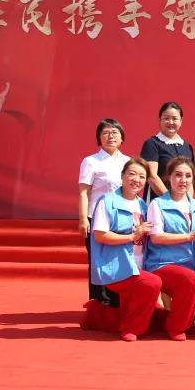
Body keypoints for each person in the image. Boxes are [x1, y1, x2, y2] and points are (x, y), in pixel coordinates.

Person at [81, 159, 175, 341]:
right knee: (152, 283)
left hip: (139, 264)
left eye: (142, 176)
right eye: (132, 174)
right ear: (122, 176)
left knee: (133, 313)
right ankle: (131, 328)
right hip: (116, 265)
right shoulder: (107, 201)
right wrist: (133, 236)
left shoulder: (143, 206)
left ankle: (97, 313)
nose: (137, 180)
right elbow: (100, 235)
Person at [138, 156, 195, 339]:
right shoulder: (158, 204)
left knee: (193, 277)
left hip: (189, 264)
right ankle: (176, 327)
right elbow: (156, 237)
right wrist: (189, 236)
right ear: (168, 177)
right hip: (162, 264)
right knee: (190, 279)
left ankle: (175, 319)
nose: (183, 180)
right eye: (178, 175)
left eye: (188, 176)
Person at [78, 118, 131, 304]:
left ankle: (118, 301)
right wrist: (83, 219)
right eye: (106, 133)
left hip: (122, 218)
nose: (111, 136)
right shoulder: (91, 161)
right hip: (97, 218)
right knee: (98, 260)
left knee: (120, 260)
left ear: (122, 137)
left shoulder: (128, 162)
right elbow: (83, 193)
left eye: (115, 132)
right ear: (99, 138)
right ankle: (99, 302)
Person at [140, 102, 194, 201]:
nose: (170, 122)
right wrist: (170, 201)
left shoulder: (187, 147)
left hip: (182, 204)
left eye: (174, 118)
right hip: (158, 201)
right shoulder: (152, 144)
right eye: (166, 118)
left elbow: (189, 180)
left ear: (181, 121)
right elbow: (151, 176)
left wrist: (188, 202)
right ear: (160, 120)